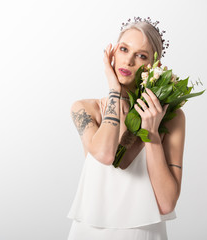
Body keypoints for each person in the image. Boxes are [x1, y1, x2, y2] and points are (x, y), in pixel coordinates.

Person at [67, 17, 185, 240]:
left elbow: (167, 203)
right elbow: (104, 153)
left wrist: (152, 135)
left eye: (141, 55)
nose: (129, 60)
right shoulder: (85, 109)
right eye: (124, 49)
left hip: (144, 233)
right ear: (112, 54)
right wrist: (114, 89)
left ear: (154, 66)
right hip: (90, 232)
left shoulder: (171, 117)